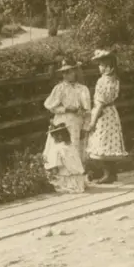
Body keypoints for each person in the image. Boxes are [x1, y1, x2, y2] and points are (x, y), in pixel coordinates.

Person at [42, 60, 91, 193]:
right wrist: (65, 109)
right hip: (62, 124)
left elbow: (88, 111)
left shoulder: (82, 89)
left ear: (75, 71)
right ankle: (62, 181)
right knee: (62, 150)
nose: (66, 75)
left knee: (75, 149)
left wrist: (86, 126)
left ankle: (77, 181)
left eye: (69, 72)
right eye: (64, 73)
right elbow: (49, 105)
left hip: (76, 123)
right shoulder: (60, 88)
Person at [85, 49, 126, 184]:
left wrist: (92, 122)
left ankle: (107, 174)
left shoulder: (102, 81)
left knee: (102, 142)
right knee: (110, 143)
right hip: (112, 113)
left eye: (101, 65)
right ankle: (110, 173)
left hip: (103, 114)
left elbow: (100, 103)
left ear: (109, 66)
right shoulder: (115, 80)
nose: (99, 67)